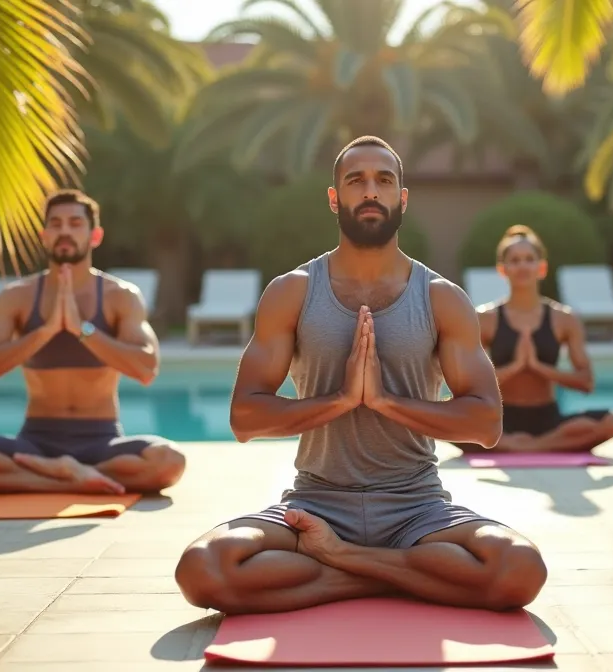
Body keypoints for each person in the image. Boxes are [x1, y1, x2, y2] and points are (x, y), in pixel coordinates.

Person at [173, 136, 548, 615]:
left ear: (402, 198)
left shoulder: (441, 297)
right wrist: (341, 399)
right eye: (356, 181)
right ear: (335, 199)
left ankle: (345, 562)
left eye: (384, 180)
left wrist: (387, 402)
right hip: (317, 503)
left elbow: (486, 424)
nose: (370, 191)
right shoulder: (292, 292)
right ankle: (395, 572)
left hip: (418, 506)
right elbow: (245, 418)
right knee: (203, 568)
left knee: (520, 568)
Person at [0, 189, 186, 495]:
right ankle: (69, 477)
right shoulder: (17, 297)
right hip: (35, 440)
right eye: (56, 223)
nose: (65, 231)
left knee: (169, 461)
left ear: (95, 235)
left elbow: (146, 368)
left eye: (76, 223)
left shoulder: (121, 296)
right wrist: (45, 331)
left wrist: (82, 329)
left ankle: (49, 477)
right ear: (44, 235)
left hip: (101, 439)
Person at [462, 225, 613, 453]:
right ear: (502, 269)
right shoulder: (485, 319)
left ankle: (527, 446)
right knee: (444, 417)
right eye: (514, 260)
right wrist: (516, 366)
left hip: (548, 419)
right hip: (500, 418)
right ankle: (531, 445)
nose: (522, 266)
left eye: (529, 259)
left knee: (612, 421)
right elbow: (468, 386)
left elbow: (586, 382)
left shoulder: (564, 318)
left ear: (542, 267)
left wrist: (539, 368)